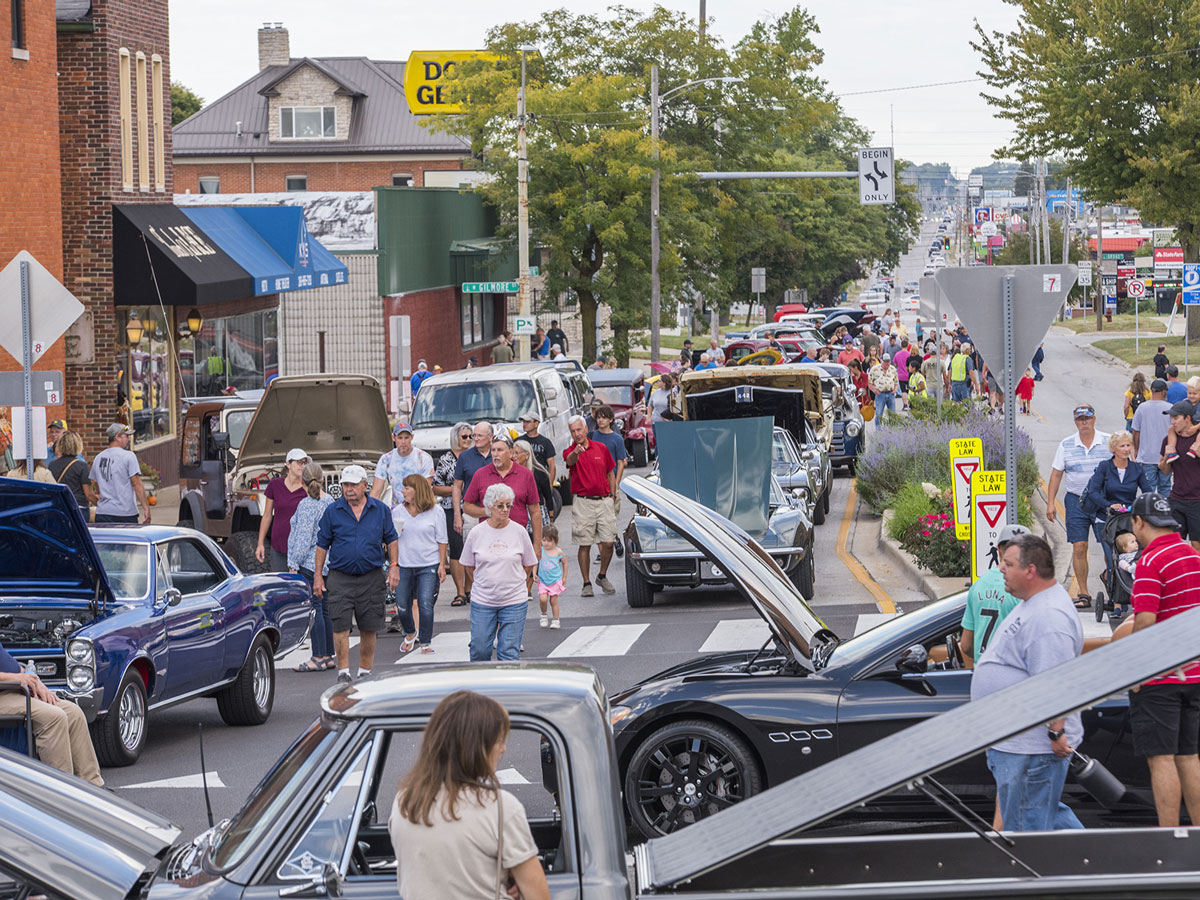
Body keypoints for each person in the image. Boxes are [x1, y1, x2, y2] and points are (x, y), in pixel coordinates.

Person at [389, 691, 550, 900]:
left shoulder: (404, 801)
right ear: (477, 748)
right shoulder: (500, 808)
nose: (503, 748)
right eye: (498, 740)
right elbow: (538, 895)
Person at [971, 534, 1084, 833]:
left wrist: (1056, 729)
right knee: (1040, 814)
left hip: (1032, 748)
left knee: (1027, 831)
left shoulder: (1048, 617)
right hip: (1021, 745)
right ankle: (1101, 868)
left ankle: (1037, 879)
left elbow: (1055, 681)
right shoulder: (1035, 603)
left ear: (1030, 570)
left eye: (1008, 564)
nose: (1001, 569)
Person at [1127, 492, 1200, 828]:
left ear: (1140, 522)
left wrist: (1136, 670)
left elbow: (1144, 622)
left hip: (1161, 677)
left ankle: (1168, 837)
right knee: (1189, 756)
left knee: (1162, 759)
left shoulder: (1150, 561)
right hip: (1194, 673)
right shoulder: (1192, 554)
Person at [314, 465, 399, 683]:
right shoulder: (333, 511)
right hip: (340, 576)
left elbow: (391, 538)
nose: (349, 489)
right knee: (340, 624)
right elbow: (322, 544)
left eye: (353, 484)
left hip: (371, 576)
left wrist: (395, 566)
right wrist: (317, 575)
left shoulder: (380, 509)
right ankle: (343, 672)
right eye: (345, 485)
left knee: (370, 625)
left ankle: (364, 671)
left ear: (365, 485)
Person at [0, 641, 103, 786]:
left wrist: (35, 681)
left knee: (73, 713)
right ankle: (60, 791)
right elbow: (13, 675)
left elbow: (11, 666)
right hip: (5, 693)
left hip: (11, 689)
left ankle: (93, 787)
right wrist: (16, 679)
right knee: (53, 717)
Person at [462, 483, 538, 661]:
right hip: (483, 600)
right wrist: (483, 583)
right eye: (500, 506)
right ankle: (482, 688)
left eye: (509, 505)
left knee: (509, 652)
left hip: (514, 601)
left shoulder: (519, 532)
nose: (505, 510)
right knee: (479, 649)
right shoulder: (476, 533)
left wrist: (517, 584)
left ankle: (507, 688)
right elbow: (468, 565)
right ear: (489, 507)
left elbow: (528, 564)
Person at [1045, 404, 1110, 608]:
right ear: (1075, 421)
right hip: (1076, 501)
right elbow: (1056, 474)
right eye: (1080, 419)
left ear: (1094, 419)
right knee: (1079, 546)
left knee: (1109, 546)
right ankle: (1083, 593)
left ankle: (1113, 583)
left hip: (1103, 501)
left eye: (1087, 418)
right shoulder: (1066, 444)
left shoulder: (1108, 442)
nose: (1084, 423)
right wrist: (1050, 503)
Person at [1082, 430, 1154, 613]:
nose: (1126, 449)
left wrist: (1143, 504)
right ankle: (1116, 601)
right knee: (1112, 557)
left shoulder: (1136, 469)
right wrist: (1108, 505)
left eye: (1128, 445)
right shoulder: (1105, 467)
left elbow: (1146, 490)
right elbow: (1093, 491)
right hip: (1106, 519)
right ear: (1113, 448)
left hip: (1129, 519)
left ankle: (1134, 592)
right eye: (1122, 446)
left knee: (1132, 555)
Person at [390, 475, 448, 654]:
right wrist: (394, 565)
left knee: (425, 603)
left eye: (407, 488)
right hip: (404, 564)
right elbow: (392, 540)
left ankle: (425, 642)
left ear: (418, 491)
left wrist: (441, 564)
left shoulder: (436, 511)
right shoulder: (398, 512)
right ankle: (410, 632)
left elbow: (442, 539)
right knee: (402, 604)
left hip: (428, 563)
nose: (403, 491)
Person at [287, 462, 336, 672]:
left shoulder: (306, 505)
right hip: (327, 563)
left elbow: (303, 538)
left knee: (314, 610)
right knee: (324, 610)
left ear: (302, 481)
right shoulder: (330, 502)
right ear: (322, 480)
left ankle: (317, 657)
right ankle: (328, 655)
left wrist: (292, 563)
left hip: (308, 563)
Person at [563, 415, 618, 596]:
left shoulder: (600, 448)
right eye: (573, 431)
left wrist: (612, 495)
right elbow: (569, 461)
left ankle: (601, 576)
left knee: (609, 542)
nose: (577, 434)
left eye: (579, 430)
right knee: (584, 543)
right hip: (583, 502)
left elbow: (610, 472)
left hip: (604, 500)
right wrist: (576, 453)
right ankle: (586, 583)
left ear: (586, 429)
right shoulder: (570, 451)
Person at [960, 524, 1029, 665]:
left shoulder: (977, 586)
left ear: (998, 551)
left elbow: (966, 645)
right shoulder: (1023, 589)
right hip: (1011, 674)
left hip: (982, 674)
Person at [463, 433, 542, 552]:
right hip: (488, 539)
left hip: (517, 538)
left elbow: (535, 511)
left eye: (500, 450)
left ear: (510, 453)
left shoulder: (525, 474)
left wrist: (537, 545)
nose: (495, 454)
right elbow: (467, 507)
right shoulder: (480, 474)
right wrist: (488, 511)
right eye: (493, 450)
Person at [256, 447, 309, 571]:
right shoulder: (275, 485)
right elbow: (267, 515)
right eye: (299, 462)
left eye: (305, 463)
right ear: (288, 464)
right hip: (279, 547)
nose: (302, 466)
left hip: (301, 550)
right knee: (280, 585)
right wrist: (260, 543)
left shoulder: (308, 487)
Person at [89, 423, 150, 524]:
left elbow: (97, 485)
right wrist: (146, 508)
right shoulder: (129, 456)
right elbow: (136, 484)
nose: (129, 439)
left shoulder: (98, 458)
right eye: (127, 436)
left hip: (103, 513)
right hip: (125, 513)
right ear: (117, 436)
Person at [1160, 401, 1200, 550]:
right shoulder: (1169, 439)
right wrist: (1165, 458)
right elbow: (1165, 470)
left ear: (1187, 418)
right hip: (1177, 499)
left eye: (1176, 418)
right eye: (1171, 418)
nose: (1172, 422)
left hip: (1197, 500)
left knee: (1197, 544)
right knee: (1175, 545)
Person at [372, 422, 434, 513]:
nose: (403, 442)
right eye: (400, 438)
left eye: (406, 437)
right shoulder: (386, 459)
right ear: (393, 438)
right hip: (397, 511)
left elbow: (425, 490)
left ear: (412, 437)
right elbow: (376, 492)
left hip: (420, 509)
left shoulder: (424, 458)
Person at [452, 422, 495, 545]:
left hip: (496, 513)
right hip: (472, 513)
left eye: (479, 436)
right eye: (474, 435)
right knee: (471, 555)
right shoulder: (465, 456)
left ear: (490, 436)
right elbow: (457, 487)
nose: (475, 439)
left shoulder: (498, 453)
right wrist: (457, 515)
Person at [1133, 378, 1173, 495]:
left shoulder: (1142, 408)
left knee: (1148, 488)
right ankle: (1163, 511)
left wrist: (1136, 449)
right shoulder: (1170, 408)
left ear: (1151, 391)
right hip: (1165, 456)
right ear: (1164, 392)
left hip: (1147, 456)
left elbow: (1136, 431)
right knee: (1165, 487)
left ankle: (1148, 511)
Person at [48, 431, 95, 515]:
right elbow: (89, 494)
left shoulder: (52, 465)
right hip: (79, 507)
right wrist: (100, 504)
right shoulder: (82, 466)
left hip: (61, 507)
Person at [514, 439, 554, 523]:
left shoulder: (540, 473)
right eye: (513, 453)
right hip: (518, 513)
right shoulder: (511, 473)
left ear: (527, 455)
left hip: (537, 513)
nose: (514, 456)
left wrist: (551, 518)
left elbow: (548, 496)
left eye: (517, 453)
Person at [536, 523, 568, 629]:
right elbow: (535, 562)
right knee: (543, 599)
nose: (546, 543)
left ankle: (555, 619)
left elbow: (565, 563)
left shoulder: (558, 551)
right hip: (543, 580)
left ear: (555, 540)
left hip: (555, 580)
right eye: (544, 540)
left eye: (549, 541)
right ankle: (544, 614)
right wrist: (534, 573)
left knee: (553, 601)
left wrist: (564, 577)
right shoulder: (541, 550)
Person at [590, 405, 628, 484]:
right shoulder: (590, 436)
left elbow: (620, 463)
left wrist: (616, 484)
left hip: (610, 481)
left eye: (604, 418)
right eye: (598, 417)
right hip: (593, 481)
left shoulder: (618, 439)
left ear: (610, 420)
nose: (601, 420)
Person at [868, 353, 898, 428]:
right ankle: (878, 430)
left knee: (892, 414)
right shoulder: (875, 369)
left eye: (888, 361)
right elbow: (869, 382)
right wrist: (875, 390)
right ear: (881, 361)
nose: (887, 363)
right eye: (885, 361)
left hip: (890, 394)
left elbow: (896, 381)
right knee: (879, 414)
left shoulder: (892, 369)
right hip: (880, 394)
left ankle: (893, 429)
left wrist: (895, 390)